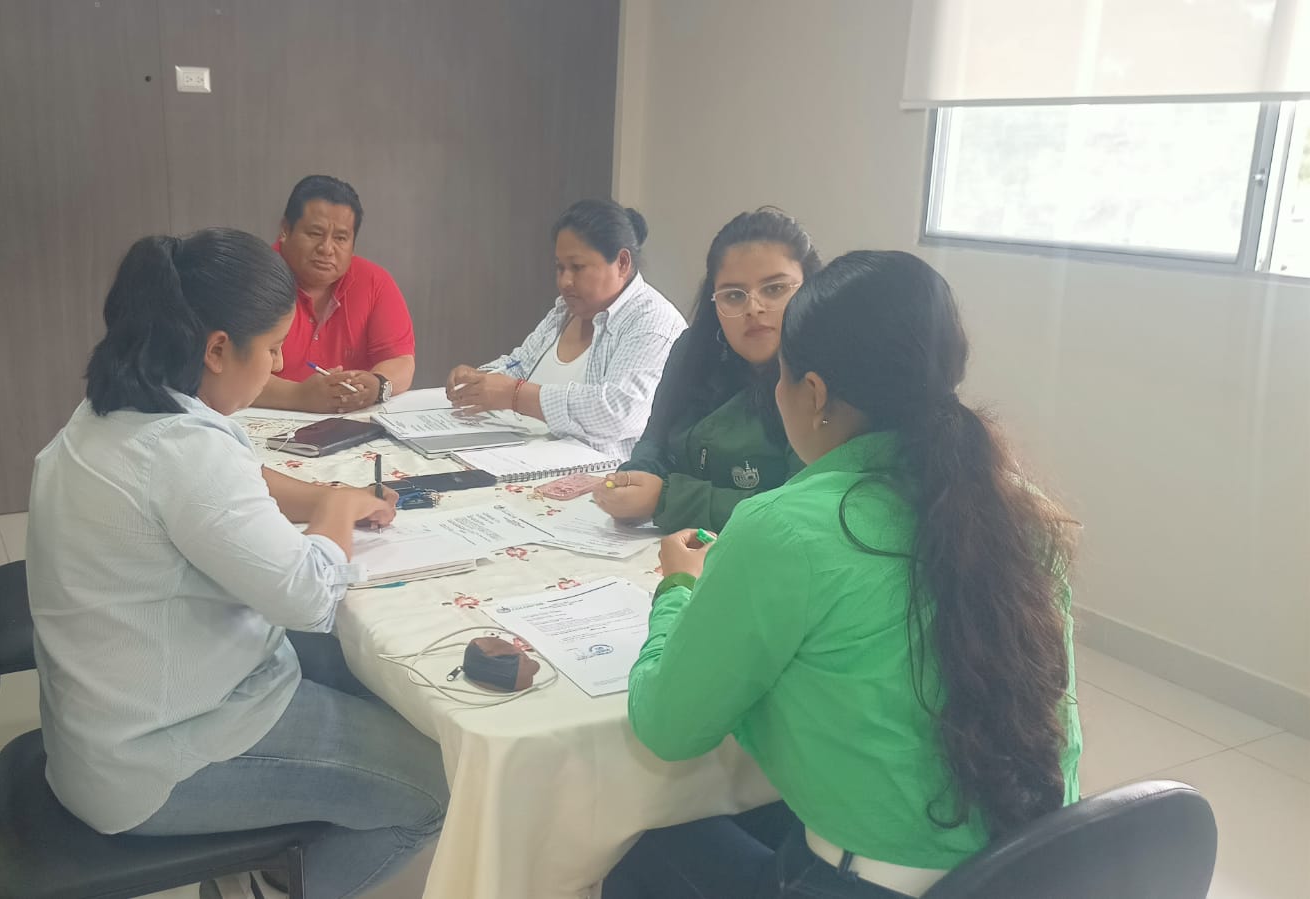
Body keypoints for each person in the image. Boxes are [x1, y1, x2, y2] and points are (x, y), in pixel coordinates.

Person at [605, 251, 1082, 899]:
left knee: (642, 852)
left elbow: (667, 727)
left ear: (814, 392)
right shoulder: (1021, 511)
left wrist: (677, 589)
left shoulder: (785, 528)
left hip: (870, 883)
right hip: (1038, 869)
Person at [27, 228, 448, 899]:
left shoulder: (120, 408)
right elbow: (308, 595)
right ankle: (266, 887)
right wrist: (337, 515)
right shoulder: (185, 452)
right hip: (156, 761)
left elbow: (234, 484)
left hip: (109, 723)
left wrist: (327, 498)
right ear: (218, 349)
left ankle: (286, 842)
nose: (279, 363)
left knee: (367, 671)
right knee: (432, 787)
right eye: (275, 348)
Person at [595, 208, 821, 532]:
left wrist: (665, 500)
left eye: (774, 289)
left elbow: (800, 510)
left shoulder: (823, 379)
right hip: (669, 541)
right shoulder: (693, 350)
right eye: (733, 295)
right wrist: (636, 479)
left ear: (810, 289)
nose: (753, 308)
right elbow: (654, 440)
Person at [444, 199, 686, 457]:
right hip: (524, 457)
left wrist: (516, 395)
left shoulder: (653, 322)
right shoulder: (564, 311)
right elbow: (520, 365)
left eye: (578, 268)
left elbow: (618, 413)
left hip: (600, 474)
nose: (565, 281)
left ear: (622, 263)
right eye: (560, 268)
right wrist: (480, 378)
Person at [254, 175, 417, 414]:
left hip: (351, 423)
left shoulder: (375, 282)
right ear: (285, 230)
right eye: (315, 233)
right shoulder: (252, 278)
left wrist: (376, 385)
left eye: (340, 238)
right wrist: (298, 396)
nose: (326, 249)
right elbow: (228, 373)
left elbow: (401, 361)